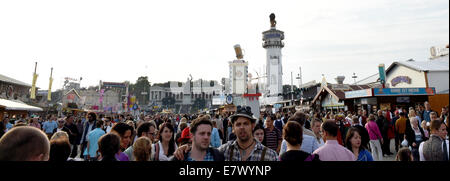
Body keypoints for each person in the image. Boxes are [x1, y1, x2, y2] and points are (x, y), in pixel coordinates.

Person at [175, 106, 278, 161]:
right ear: (233, 127)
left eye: (245, 124)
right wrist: (186, 147)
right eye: (238, 124)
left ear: (252, 125)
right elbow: (202, 151)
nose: (242, 127)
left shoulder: (270, 156)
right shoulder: (224, 151)